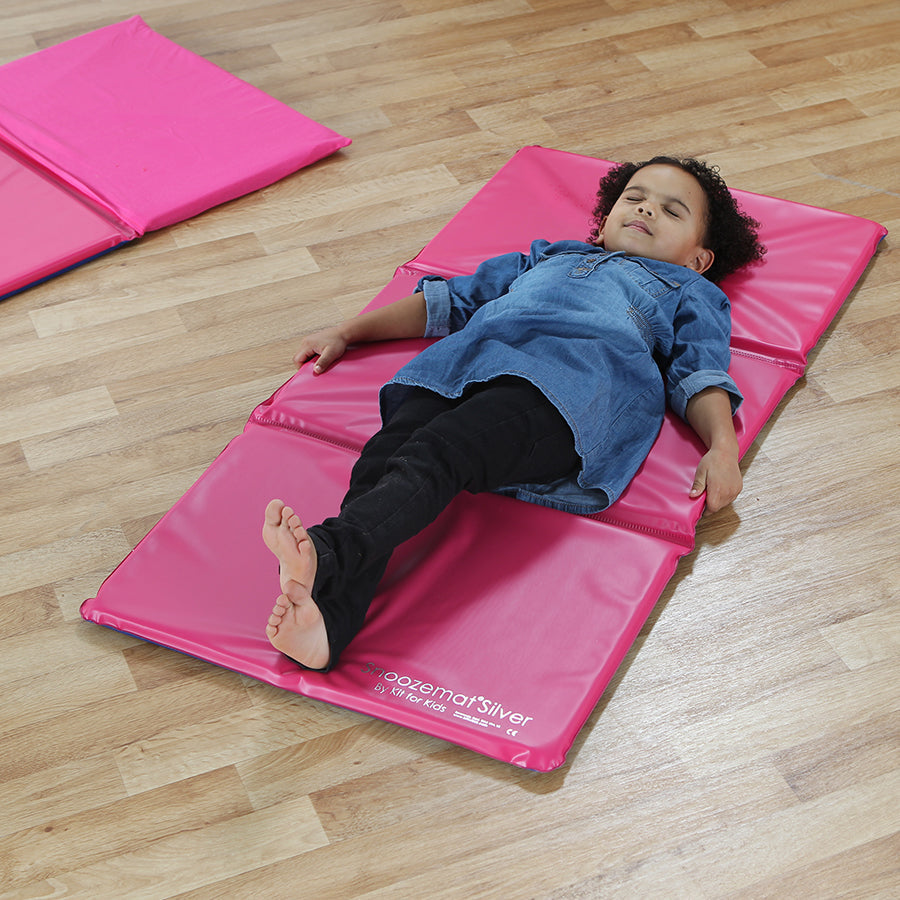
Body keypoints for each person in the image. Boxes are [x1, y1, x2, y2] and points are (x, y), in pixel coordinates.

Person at [262, 156, 766, 671]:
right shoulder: (549, 256)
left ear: (699, 259)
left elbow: (699, 374)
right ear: (604, 220)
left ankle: (331, 549)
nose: (646, 210)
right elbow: (450, 301)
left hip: (569, 389)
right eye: (634, 198)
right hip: (461, 368)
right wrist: (348, 331)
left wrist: (723, 447)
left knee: (443, 449)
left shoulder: (691, 291)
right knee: (382, 461)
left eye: (671, 211)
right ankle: (330, 622)